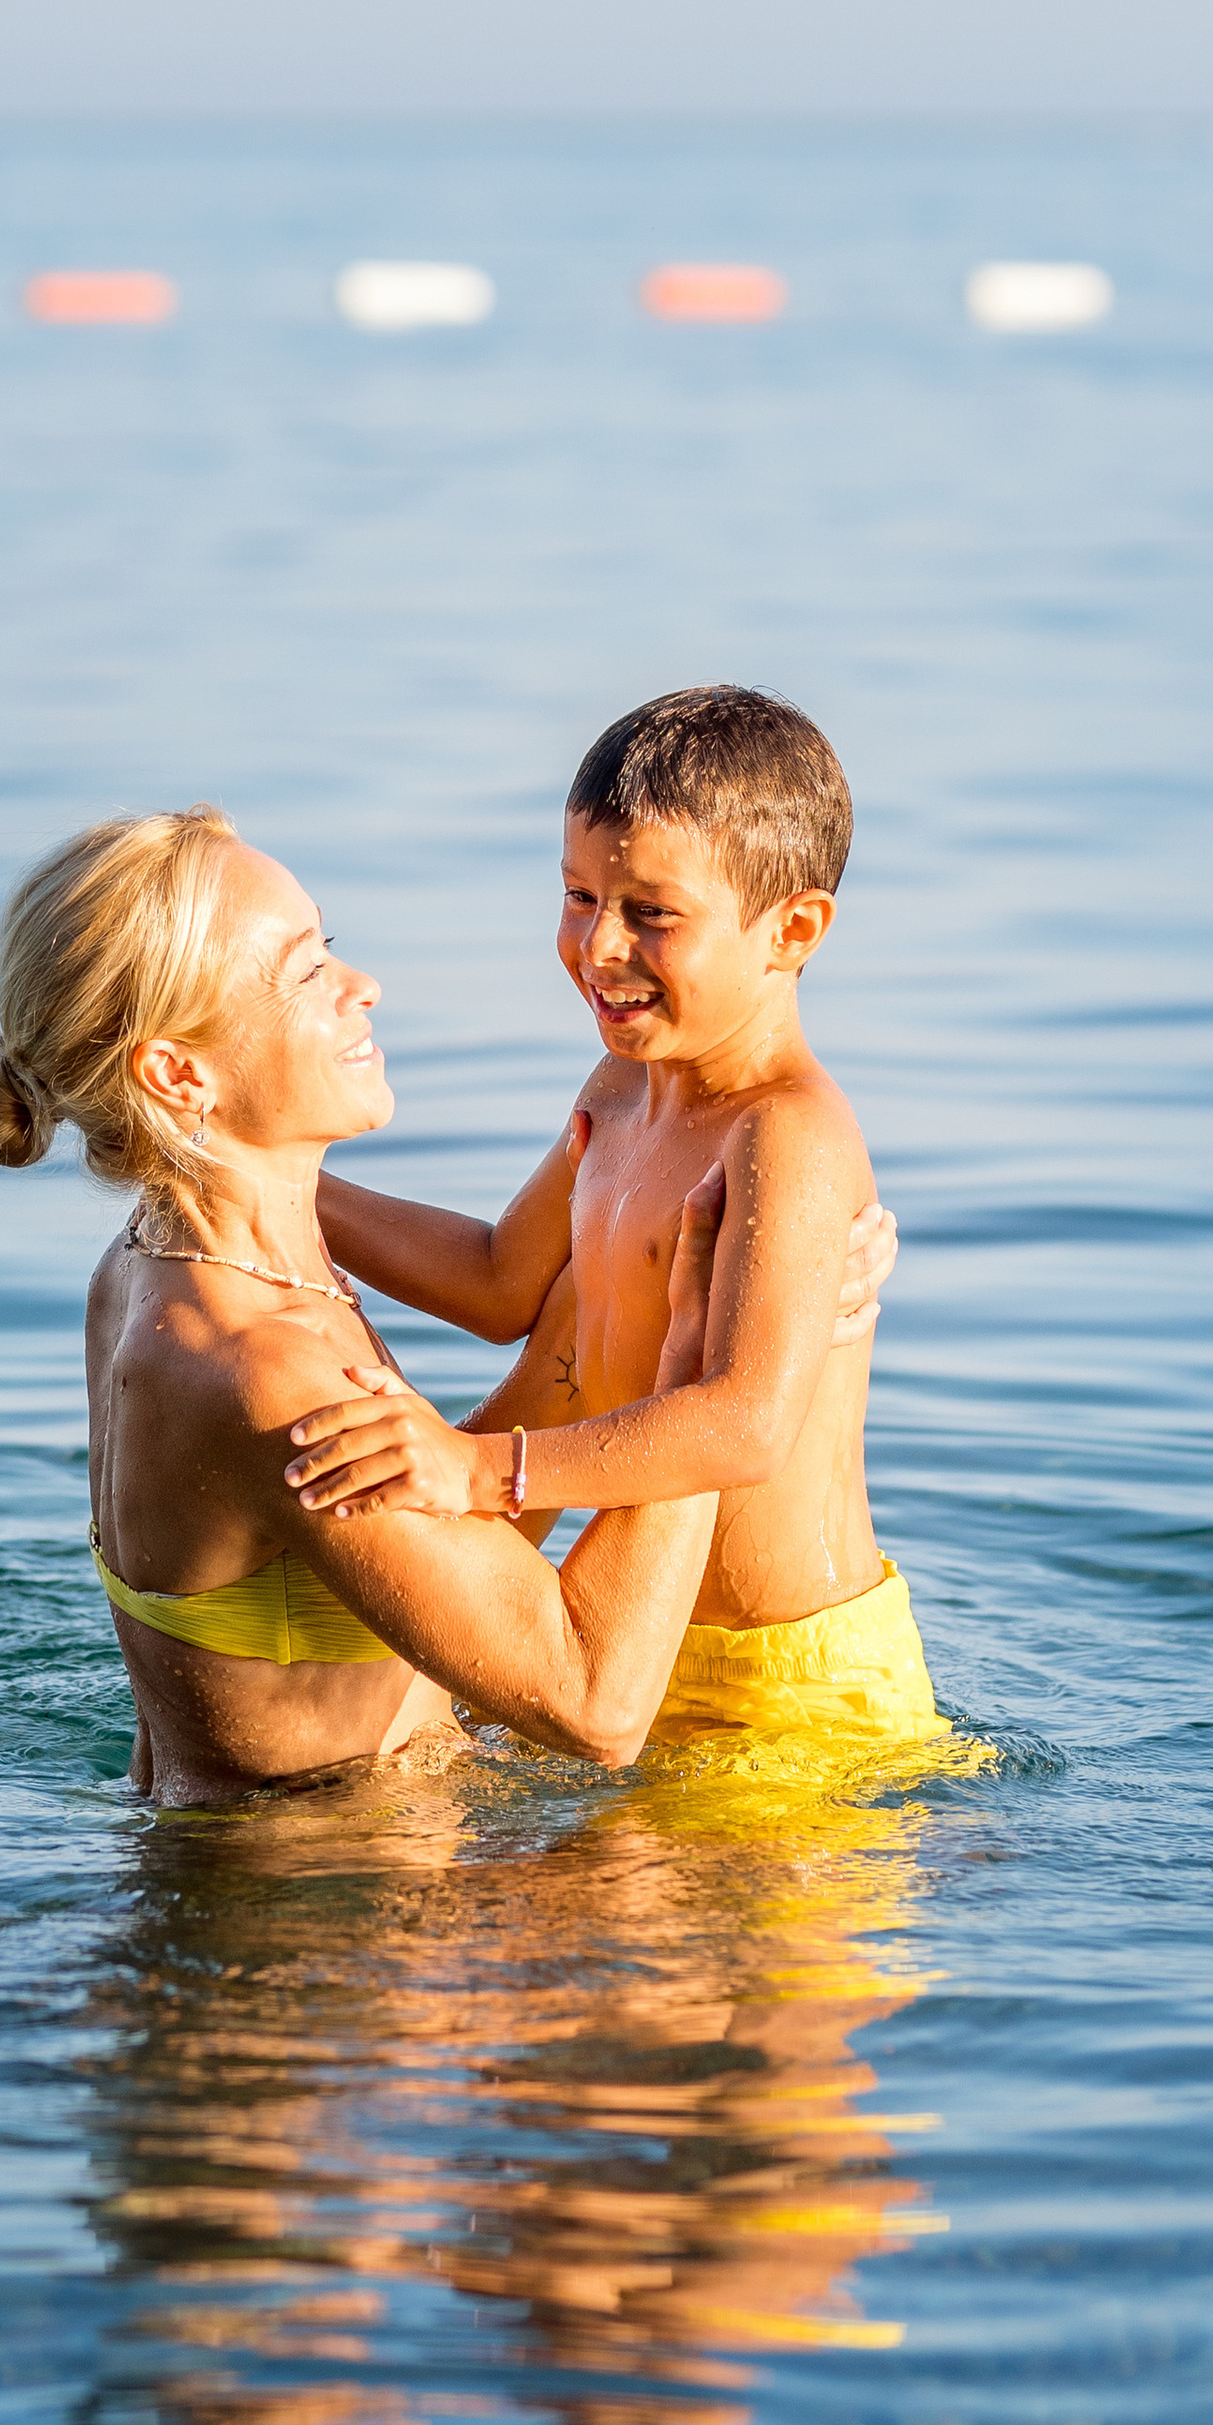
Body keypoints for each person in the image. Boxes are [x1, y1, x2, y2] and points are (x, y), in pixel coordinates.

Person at [0, 803, 893, 1807]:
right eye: (308, 972)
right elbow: (594, 1706)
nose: (363, 987)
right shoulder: (261, 1366)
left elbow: (420, 1556)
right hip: (333, 1937)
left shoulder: (151, 1265)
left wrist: (685, 1273)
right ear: (177, 1074)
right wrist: (695, 1360)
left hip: (285, 1892)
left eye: (333, 950)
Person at [290, 686, 963, 1776]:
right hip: (629, 1630)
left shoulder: (785, 1135)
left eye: (650, 914)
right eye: (576, 896)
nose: (598, 947)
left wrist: (475, 1469)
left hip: (782, 1685)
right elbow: (500, 1281)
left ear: (791, 930)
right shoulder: (621, 1083)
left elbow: (742, 1425)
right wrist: (281, 1183)